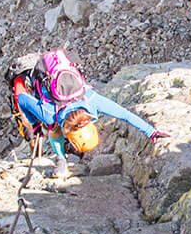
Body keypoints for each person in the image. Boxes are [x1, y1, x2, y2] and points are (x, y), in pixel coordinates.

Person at [11, 52, 169, 170]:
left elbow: (125, 115)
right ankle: (61, 159)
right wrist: (37, 124)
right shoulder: (51, 114)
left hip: (63, 69)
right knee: (52, 128)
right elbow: (23, 99)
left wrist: (151, 132)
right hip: (43, 69)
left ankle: (61, 161)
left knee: (53, 125)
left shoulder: (91, 102)